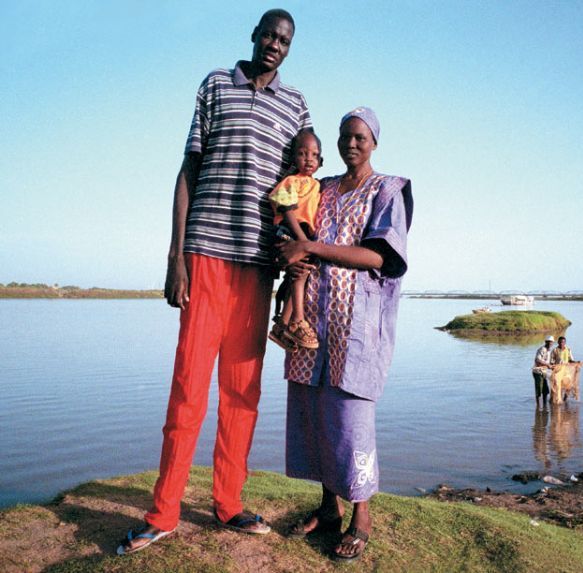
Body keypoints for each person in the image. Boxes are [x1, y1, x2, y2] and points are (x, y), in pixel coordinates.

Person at [117, 9, 312, 555]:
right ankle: (164, 512)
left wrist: (295, 257)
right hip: (204, 254)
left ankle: (228, 502)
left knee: (243, 392)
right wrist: (174, 255)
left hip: (257, 263)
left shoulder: (297, 106)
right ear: (254, 36)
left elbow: (300, 185)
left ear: (290, 49)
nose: (275, 44)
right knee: (187, 389)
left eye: (285, 40)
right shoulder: (214, 85)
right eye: (269, 35)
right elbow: (188, 170)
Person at [276, 107, 413, 562]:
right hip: (312, 322)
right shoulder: (324, 187)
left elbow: (380, 258)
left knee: (351, 421)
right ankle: (327, 508)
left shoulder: (386, 190)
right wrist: (292, 256)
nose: (350, 144)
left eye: (359, 137)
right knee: (317, 416)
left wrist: (311, 246)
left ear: (374, 142)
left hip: (356, 326)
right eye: (344, 136)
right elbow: (294, 223)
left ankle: (361, 518)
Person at [268, 129, 322, 350]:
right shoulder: (290, 181)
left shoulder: (317, 185)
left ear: (321, 160)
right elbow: (287, 211)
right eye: (302, 154)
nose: (308, 159)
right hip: (290, 230)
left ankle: (282, 325)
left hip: (304, 235)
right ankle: (297, 319)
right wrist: (303, 241)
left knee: (299, 276)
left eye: (314, 155)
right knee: (300, 274)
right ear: (293, 158)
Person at [532, 335, 554, 408]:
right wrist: (547, 365)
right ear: (545, 342)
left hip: (544, 372)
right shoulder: (542, 349)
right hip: (538, 372)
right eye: (549, 342)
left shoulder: (549, 351)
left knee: (545, 391)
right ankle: (538, 406)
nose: (550, 344)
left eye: (551, 343)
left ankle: (544, 405)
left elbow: (549, 362)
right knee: (539, 390)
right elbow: (537, 360)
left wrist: (552, 366)